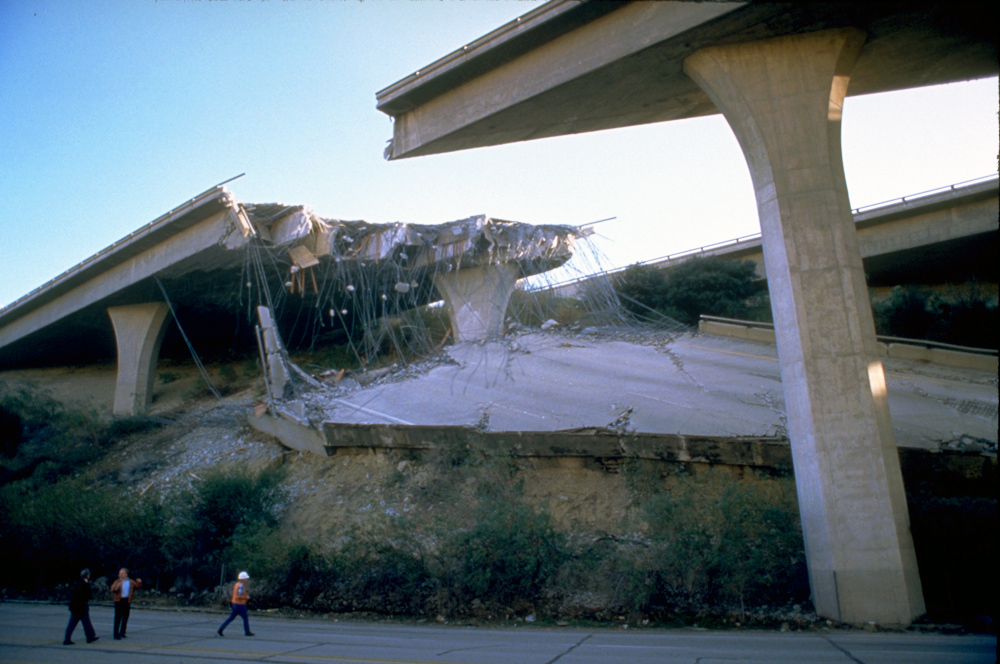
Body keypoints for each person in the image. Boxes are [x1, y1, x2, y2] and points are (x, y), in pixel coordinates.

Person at [64, 568, 99, 645]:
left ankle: (67, 638)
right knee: (86, 622)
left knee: (73, 624)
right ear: (87, 576)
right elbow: (87, 595)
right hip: (81, 607)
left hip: (75, 607)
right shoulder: (85, 584)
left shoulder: (77, 584)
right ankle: (90, 637)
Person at [217, 571, 254, 637]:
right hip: (239, 604)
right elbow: (238, 596)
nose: (247, 579)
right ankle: (247, 631)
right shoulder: (240, 586)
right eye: (246, 578)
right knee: (245, 618)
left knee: (231, 618)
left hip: (235, 604)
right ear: (243, 579)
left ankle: (221, 629)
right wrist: (246, 597)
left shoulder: (237, 584)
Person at [110, 567, 142, 639]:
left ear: (126, 574)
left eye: (122, 573)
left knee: (125, 617)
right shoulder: (117, 581)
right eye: (119, 573)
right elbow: (112, 589)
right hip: (119, 601)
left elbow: (137, 587)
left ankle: (122, 632)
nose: (120, 575)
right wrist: (116, 588)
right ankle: (115, 634)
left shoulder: (130, 581)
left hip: (126, 601)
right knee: (118, 617)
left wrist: (139, 582)